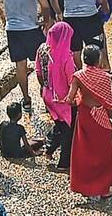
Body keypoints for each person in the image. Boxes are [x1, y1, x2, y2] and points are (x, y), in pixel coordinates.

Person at [65, 46, 112, 199]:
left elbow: (70, 99)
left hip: (84, 116)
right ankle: (104, 189)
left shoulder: (78, 76)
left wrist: (70, 100)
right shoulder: (104, 77)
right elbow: (109, 102)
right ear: (98, 60)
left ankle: (83, 187)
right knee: (104, 153)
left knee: (83, 152)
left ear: (84, 59)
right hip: (100, 117)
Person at [37, 21, 77, 170]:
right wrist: (73, 98)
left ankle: (49, 149)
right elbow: (71, 80)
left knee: (59, 124)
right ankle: (64, 163)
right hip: (63, 99)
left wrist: (45, 87)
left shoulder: (42, 49)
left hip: (47, 95)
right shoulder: (66, 55)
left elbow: (38, 72)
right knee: (68, 130)